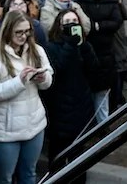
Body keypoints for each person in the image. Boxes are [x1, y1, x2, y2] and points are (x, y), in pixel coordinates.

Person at [0, 11, 54, 184]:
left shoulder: (36, 50)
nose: (24, 36)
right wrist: (19, 81)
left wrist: (43, 78)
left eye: (27, 31)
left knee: (29, 174)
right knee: (4, 178)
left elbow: (48, 78)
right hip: (4, 132)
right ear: (7, 31)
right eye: (19, 32)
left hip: (34, 124)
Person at [44, 9, 101, 183]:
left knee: (79, 154)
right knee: (58, 153)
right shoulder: (51, 47)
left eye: (74, 21)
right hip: (59, 106)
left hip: (81, 103)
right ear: (59, 25)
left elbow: (94, 70)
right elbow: (58, 68)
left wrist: (83, 46)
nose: (71, 25)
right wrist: (69, 45)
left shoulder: (85, 45)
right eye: (67, 22)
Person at [75, 0, 122, 122]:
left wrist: (98, 25)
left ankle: (103, 123)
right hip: (86, 50)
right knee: (87, 90)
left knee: (103, 91)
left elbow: (116, 21)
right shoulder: (80, 2)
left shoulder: (111, 1)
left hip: (106, 51)